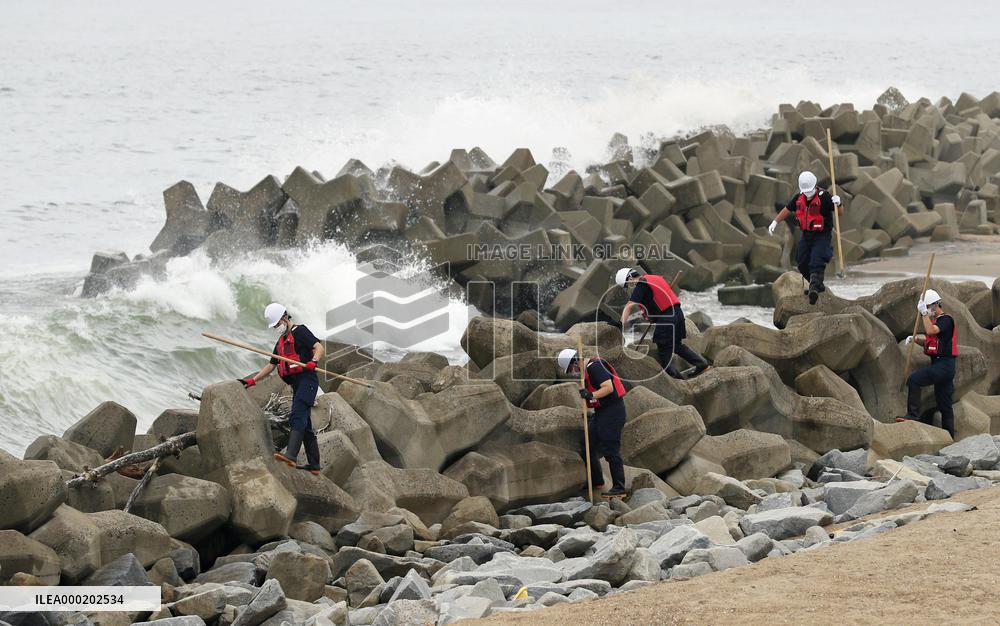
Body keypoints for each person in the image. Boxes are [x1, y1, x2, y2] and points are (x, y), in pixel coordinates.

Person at [240, 302, 325, 475]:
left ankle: (291, 455)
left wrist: (313, 361)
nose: (277, 328)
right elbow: (271, 365)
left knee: (297, 415)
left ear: (285, 317)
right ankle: (314, 465)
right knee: (305, 425)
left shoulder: (300, 331)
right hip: (297, 384)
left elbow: (319, 347)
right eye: (274, 326)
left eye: (278, 324)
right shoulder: (281, 342)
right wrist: (253, 380)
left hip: (307, 380)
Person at [558, 348, 628, 497]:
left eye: (571, 369)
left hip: (613, 411)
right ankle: (596, 480)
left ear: (575, 363)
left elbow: (608, 388)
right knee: (587, 444)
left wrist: (590, 395)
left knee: (610, 448)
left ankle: (619, 487)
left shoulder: (595, 367)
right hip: (600, 412)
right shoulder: (586, 374)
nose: (572, 373)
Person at [616, 268, 710, 379]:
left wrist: (620, 323)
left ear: (630, 278)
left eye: (628, 284)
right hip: (678, 314)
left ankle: (676, 379)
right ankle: (701, 364)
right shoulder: (655, 278)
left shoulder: (641, 285)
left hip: (667, 318)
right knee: (676, 345)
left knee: (664, 351)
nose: (630, 287)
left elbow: (629, 306)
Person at [768, 171, 843, 305]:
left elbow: (839, 214)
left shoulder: (824, 197)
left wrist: (839, 203)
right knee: (802, 262)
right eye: (806, 191)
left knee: (816, 260)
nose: (808, 194)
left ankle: (814, 288)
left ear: (815, 186)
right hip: (807, 234)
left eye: (810, 191)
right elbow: (787, 209)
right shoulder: (799, 198)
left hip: (822, 235)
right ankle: (816, 284)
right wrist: (775, 221)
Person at [896, 290, 958, 437]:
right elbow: (931, 343)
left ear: (936, 305)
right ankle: (949, 436)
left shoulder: (945, 320)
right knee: (944, 404)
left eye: (929, 307)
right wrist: (916, 339)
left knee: (914, 380)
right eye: (926, 308)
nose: (928, 310)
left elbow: (930, 331)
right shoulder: (936, 322)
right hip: (941, 365)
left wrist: (924, 313)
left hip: (944, 365)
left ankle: (913, 415)